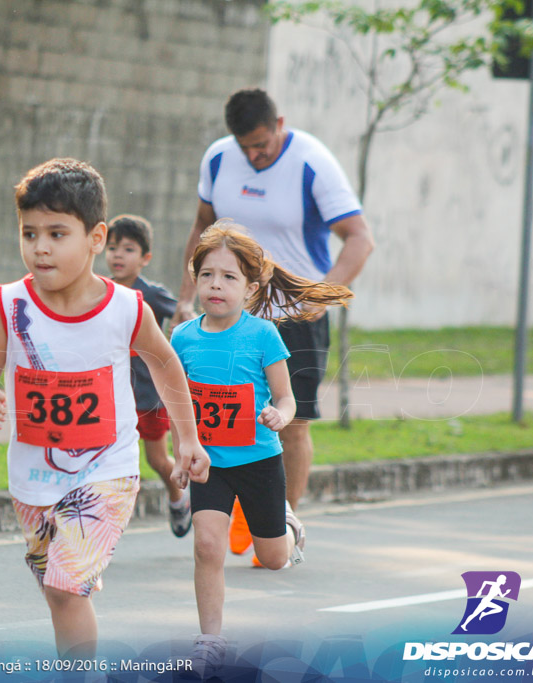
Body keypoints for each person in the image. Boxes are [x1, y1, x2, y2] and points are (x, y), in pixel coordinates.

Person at [0, 158, 210, 659]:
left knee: (64, 586)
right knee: (59, 594)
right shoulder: (10, 306)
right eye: (29, 233)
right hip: (33, 479)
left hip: (108, 469)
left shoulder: (126, 308)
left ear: (96, 237)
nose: (40, 247)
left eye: (57, 233)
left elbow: (166, 366)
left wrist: (189, 438)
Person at [173, 88, 374, 562]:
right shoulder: (220, 158)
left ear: (280, 123)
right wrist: (186, 297)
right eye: (245, 146)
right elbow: (202, 227)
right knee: (218, 415)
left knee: (294, 423)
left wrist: (320, 299)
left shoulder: (312, 162)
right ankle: (224, 511)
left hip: (291, 315)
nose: (254, 154)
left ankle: (279, 527)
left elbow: (360, 239)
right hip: (225, 314)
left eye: (261, 144)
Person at [171, 222, 352, 678]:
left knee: (273, 559)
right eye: (207, 274)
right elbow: (180, 407)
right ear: (196, 279)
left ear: (250, 288)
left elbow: (287, 398)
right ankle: (210, 641)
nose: (216, 285)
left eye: (229, 277)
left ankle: (288, 524)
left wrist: (281, 416)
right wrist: (181, 454)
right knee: (208, 546)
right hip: (210, 464)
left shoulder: (263, 336)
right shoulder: (183, 338)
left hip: (259, 460)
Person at [104, 214, 191, 537]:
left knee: (157, 461)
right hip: (110, 397)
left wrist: (186, 317)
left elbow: (183, 313)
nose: (117, 255)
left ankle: (178, 498)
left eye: (127, 249)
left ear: (145, 259)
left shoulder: (152, 295)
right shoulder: (99, 292)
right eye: (112, 248)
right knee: (109, 462)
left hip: (150, 396)